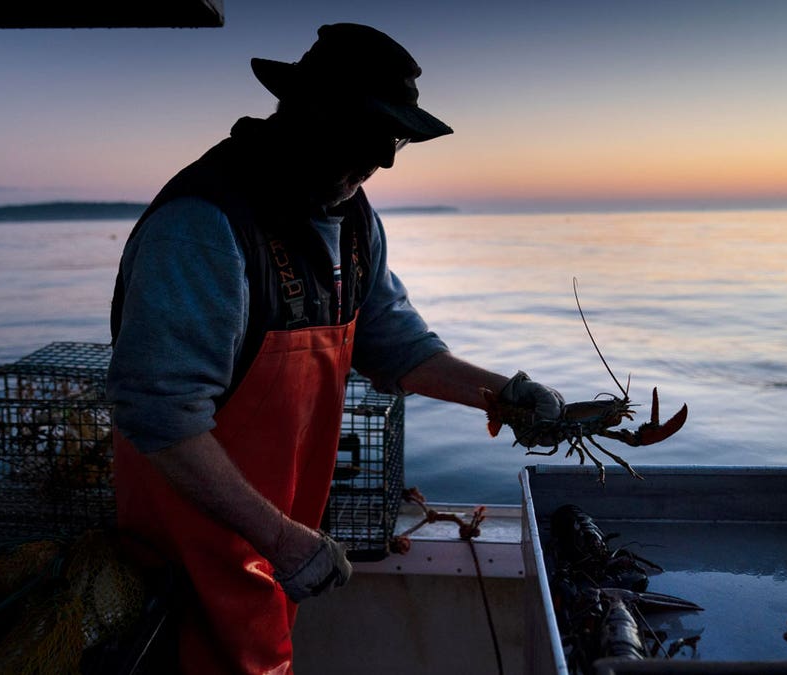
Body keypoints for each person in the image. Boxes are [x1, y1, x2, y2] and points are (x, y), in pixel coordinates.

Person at [107, 23, 563, 675]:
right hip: (185, 564)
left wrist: (508, 394)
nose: (384, 161)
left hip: (272, 552)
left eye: (395, 141)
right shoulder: (203, 229)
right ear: (306, 112)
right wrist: (281, 538)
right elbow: (161, 419)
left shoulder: (351, 217)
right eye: (368, 138)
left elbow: (399, 348)